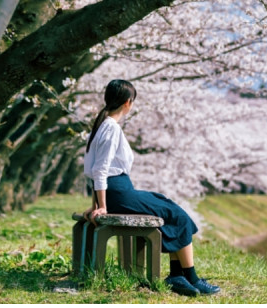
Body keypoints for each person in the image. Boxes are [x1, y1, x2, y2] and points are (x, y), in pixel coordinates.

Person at [82, 79, 220, 296]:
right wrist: (103, 207)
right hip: (119, 193)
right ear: (128, 102)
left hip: (117, 192)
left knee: (168, 206)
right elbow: (100, 170)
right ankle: (189, 276)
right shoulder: (111, 128)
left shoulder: (100, 127)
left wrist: (97, 204)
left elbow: (91, 170)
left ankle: (178, 275)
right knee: (178, 215)